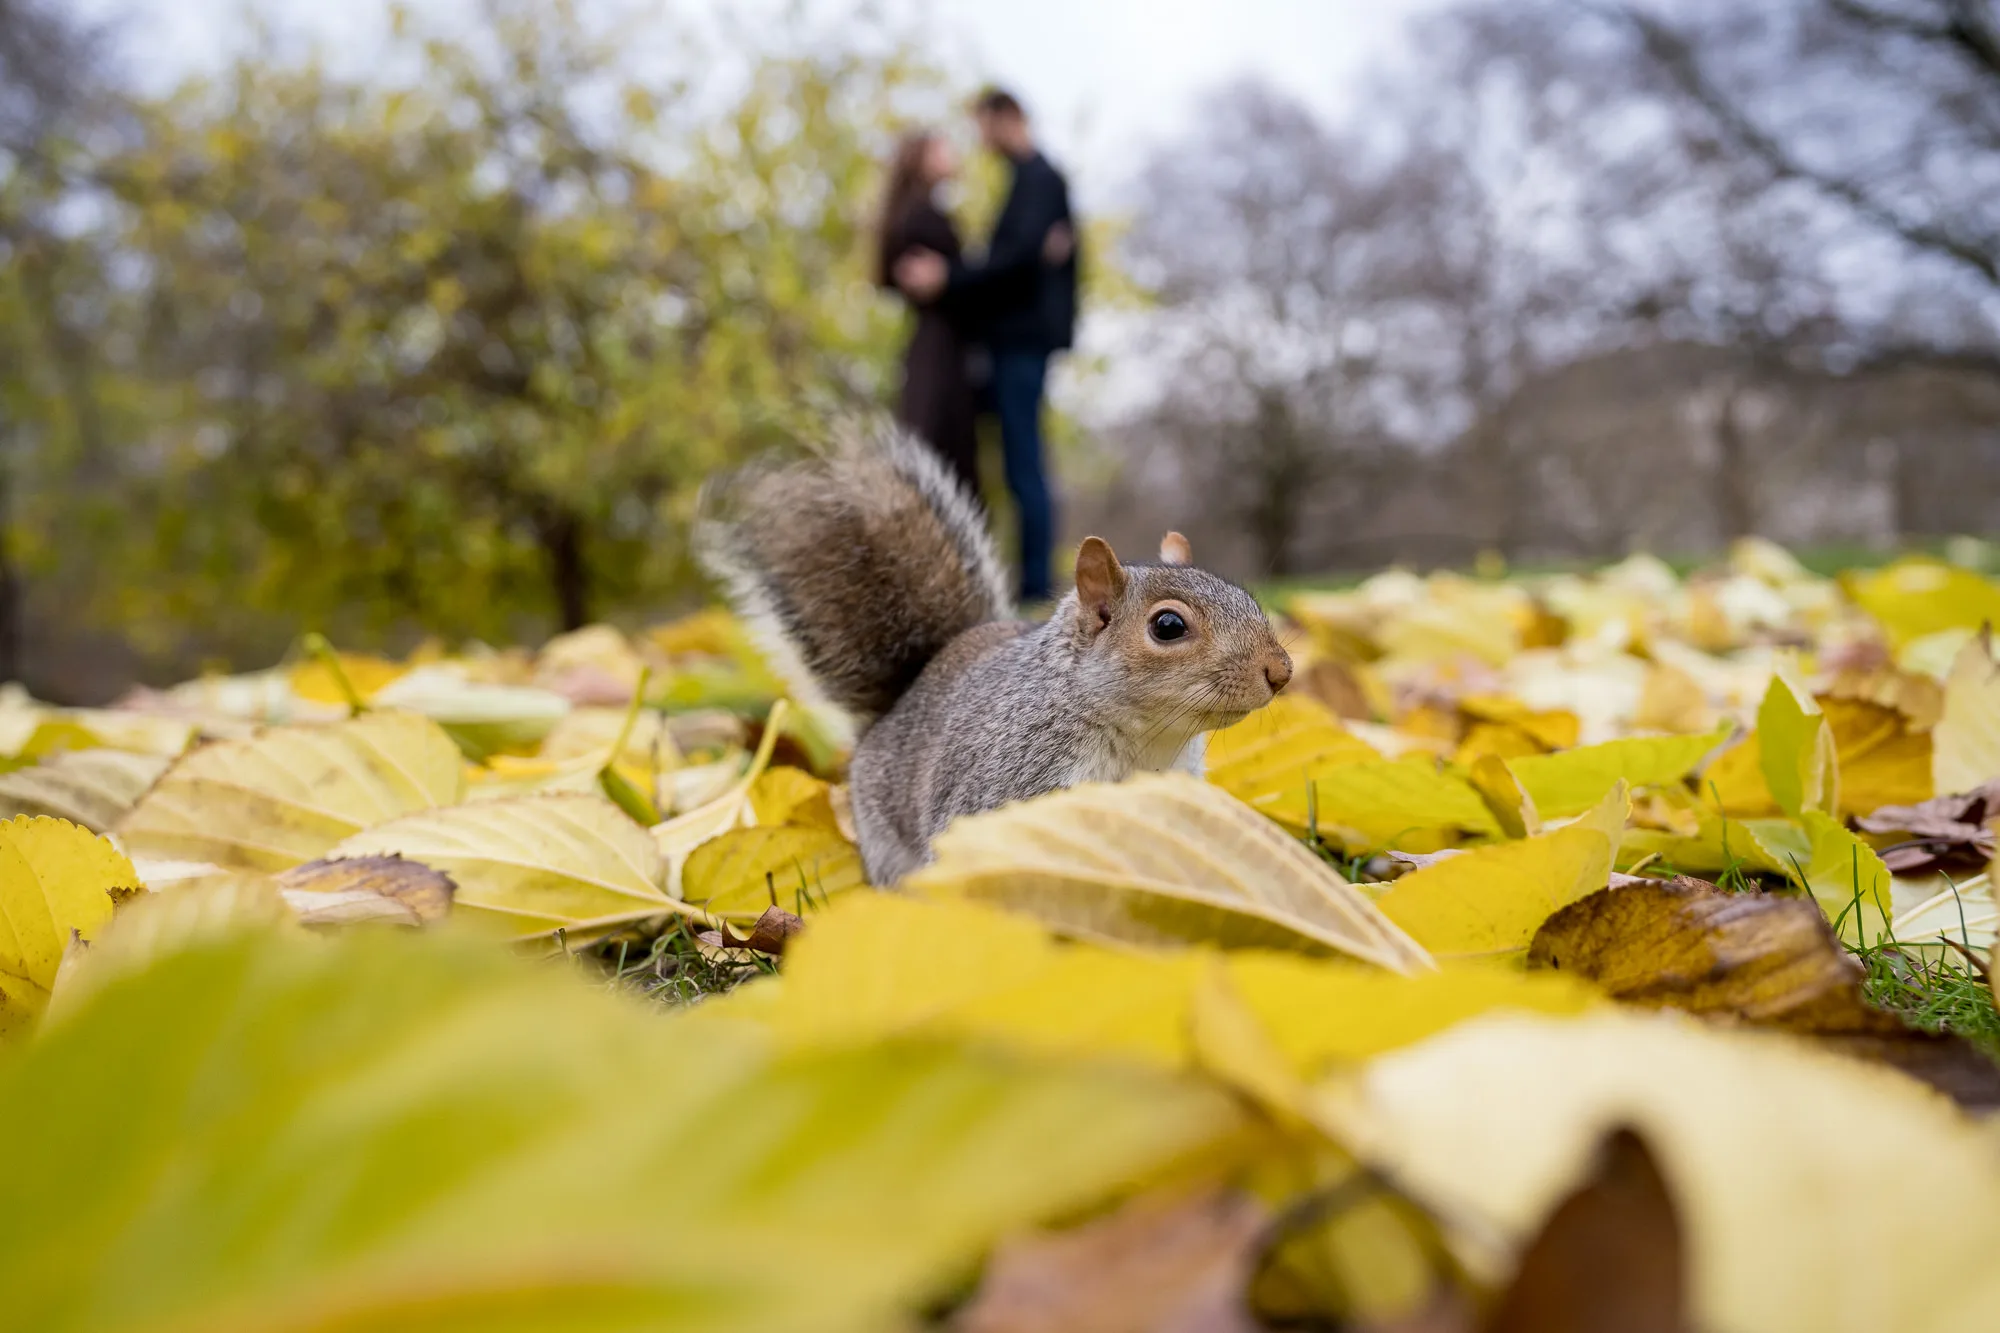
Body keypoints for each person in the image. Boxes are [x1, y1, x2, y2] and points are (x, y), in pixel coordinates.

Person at [897, 88, 1077, 605]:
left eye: (982, 126)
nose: (977, 139)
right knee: (991, 459)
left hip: (1022, 344)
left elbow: (1016, 261)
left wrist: (950, 276)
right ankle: (1003, 577)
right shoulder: (1024, 183)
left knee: (1024, 463)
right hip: (1003, 345)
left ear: (1006, 119)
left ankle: (1036, 582)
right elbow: (1021, 257)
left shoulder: (1042, 179)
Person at [873, 130, 982, 498]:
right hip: (942, 352)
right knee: (942, 454)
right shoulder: (924, 218)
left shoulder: (912, 214)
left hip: (934, 347)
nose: (952, 154)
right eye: (942, 148)